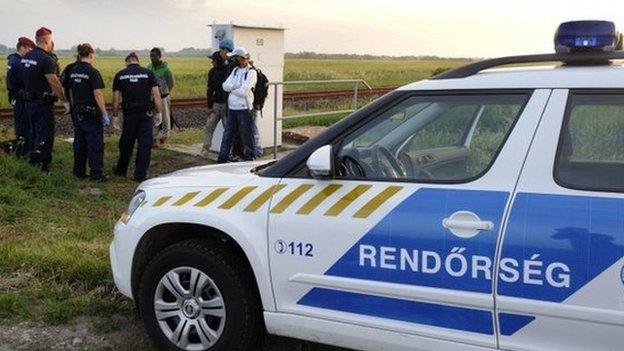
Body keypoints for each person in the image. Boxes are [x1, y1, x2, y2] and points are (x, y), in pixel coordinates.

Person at [21, 27, 69, 172]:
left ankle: (32, 161)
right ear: (47, 41)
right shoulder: (46, 59)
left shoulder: (27, 57)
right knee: (44, 134)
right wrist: (65, 100)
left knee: (33, 132)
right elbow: (53, 81)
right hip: (42, 104)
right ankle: (42, 166)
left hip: (29, 102)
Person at [112, 52, 163, 182]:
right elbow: (156, 95)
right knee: (145, 145)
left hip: (130, 115)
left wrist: (115, 116)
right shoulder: (148, 73)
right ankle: (140, 175)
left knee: (126, 143)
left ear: (126, 62)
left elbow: (116, 98)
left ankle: (121, 171)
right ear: (137, 61)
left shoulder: (120, 75)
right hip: (146, 115)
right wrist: (159, 112)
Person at [66, 43, 109, 181]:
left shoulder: (73, 71)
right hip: (91, 114)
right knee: (95, 144)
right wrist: (104, 113)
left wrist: (74, 107)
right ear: (91, 55)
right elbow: (97, 94)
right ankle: (96, 174)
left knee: (79, 143)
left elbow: (71, 91)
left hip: (78, 112)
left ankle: (78, 171)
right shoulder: (93, 72)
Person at [217, 47, 257, 163]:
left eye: (235, 58)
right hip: (232, 108)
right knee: (227, 135)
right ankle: (222, 159)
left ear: (240, 58)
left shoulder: (251, 73)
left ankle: (249, 158)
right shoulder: (235, 71)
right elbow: (224, 85)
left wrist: (232, 88)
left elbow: (243, 92)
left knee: (247, 135)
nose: (232, 60)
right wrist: (235, 87)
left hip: (244, 109)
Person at [6, 37, 35, 157]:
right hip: (21, 99)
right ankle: (23, 153)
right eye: (29, 49)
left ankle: (21, 151)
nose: (30, 52)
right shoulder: (18, 63)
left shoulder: (12, 59)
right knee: (24, 128)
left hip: (16, 97)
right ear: (22, 47)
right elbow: (26, 81)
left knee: (21, 127)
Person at [202, 51, 228, 155]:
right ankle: (205, 148)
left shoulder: (228, 71)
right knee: (209, 127)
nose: (212, 62)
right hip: (215, 105)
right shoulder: (212, 72)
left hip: (226, 105)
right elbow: (209, 89)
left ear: (218, 61)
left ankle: (227, 151)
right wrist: (209, 105)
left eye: (213, 60)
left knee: (228, 130)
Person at [148, 47, 174, 147]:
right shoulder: (149, 67)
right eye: (150, 56)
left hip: (163, 97)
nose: (152, 58)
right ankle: (154, 139)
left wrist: (164, 93)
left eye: (154, 56)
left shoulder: (166, 70)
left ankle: (164, 139)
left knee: (165, 118)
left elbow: (171, 83)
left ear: (159, 56)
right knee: (155, 118)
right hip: (153, 98)